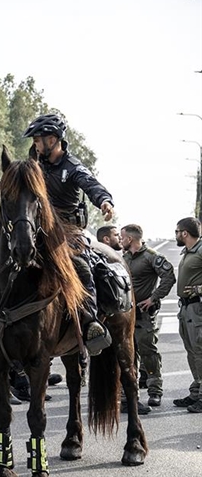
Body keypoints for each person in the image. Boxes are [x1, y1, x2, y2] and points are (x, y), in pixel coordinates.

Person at [24, 114, 115, 356]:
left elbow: (92, 185)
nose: (35, 145)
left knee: (82, 267)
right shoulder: (35, 162)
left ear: (53, 140)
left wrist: (104, 201)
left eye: (39, 140)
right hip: (39, 230)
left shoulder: (72, 167)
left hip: (69, 232)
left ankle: (91, 321)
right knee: (4, 259)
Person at [121, 224, 175, 407]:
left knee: (148, 352)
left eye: (122, 238)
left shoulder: (151, 256)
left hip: (144, 315)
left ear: (130, 239)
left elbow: (168, 276)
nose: (120, 241)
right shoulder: (124, 258)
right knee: (129, 353)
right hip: (126, 314)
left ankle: (155, 390)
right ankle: (130, 391)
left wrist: (154, 298)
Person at [171, 217, 202, 413]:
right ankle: (196, 391)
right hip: (186, 309)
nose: (175, 235)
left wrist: (199, 289)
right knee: (192, 352)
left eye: (176, 232)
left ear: (184, 233)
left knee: (200, 352)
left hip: (198, 308)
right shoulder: (189, 251)